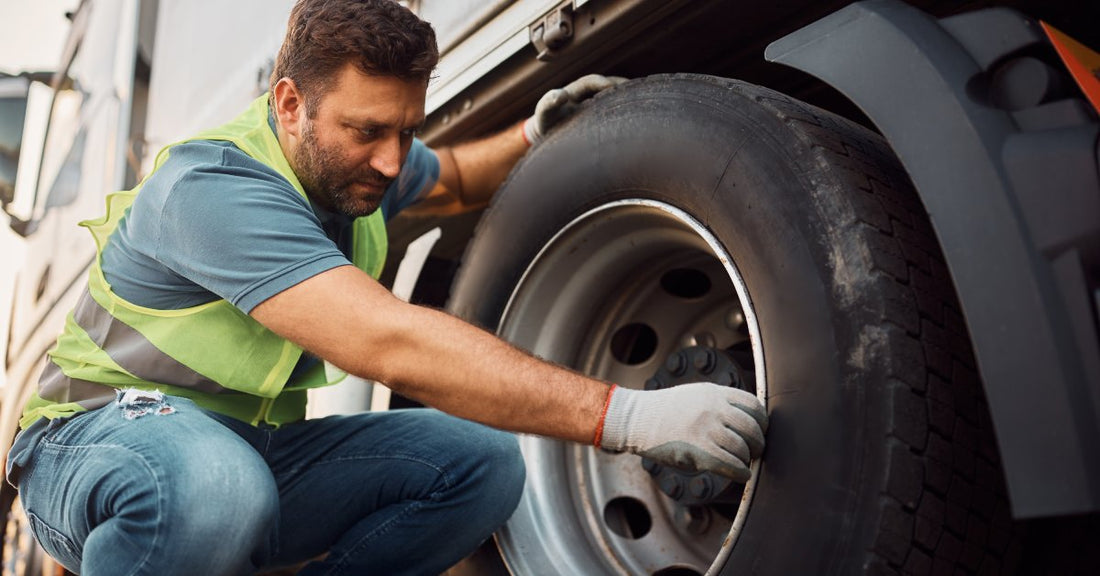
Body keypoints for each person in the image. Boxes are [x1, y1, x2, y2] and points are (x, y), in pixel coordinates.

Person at [5, 1, 768, 574]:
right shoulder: (212, 187)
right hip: (95, 440)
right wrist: (628, 414)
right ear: (289, 105)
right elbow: (389, 344)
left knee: (481, 464)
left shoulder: (353, 170)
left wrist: (536, 132)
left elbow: (457, 176)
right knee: (215, 487)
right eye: (368, 131)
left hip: (243, 450)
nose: (393, 160)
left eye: (406, 130)